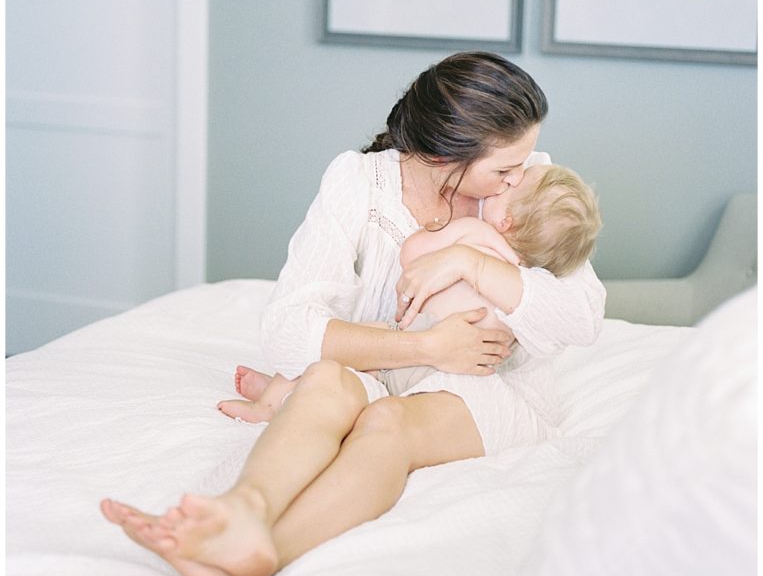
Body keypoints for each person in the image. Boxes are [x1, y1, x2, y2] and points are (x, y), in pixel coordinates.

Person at [101, 52, 606, 576]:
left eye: (522, 164)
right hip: (391, 368)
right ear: (444, 154)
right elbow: (289, 331)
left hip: (488, 389)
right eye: (504, 169)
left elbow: (582, 317)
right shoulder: (359, 184)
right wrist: (428, 347)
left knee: (389, 423)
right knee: (322, 383)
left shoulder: (524, 186)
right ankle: (244, 509)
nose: (519, 175)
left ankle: (257, 562)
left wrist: (472, 265)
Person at [221, 161, 602, 411]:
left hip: (419, 335)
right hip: (468, 369)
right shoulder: (531, 263)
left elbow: (412, 256)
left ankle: (272, 402)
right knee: (359, 378)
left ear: (506, 221)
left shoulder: (477, 232)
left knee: (343, 359)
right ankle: (280, 392)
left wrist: (437, 238)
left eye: (511, 187)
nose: (513, 179)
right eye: (508, 174)